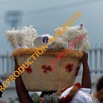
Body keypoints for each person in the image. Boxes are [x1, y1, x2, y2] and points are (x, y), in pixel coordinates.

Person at [14, 52, 103, 103]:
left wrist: (18, 65)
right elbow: (86, 91)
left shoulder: (74, 97)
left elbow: (22, 94)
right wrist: (85, 63)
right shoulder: (76, 97)